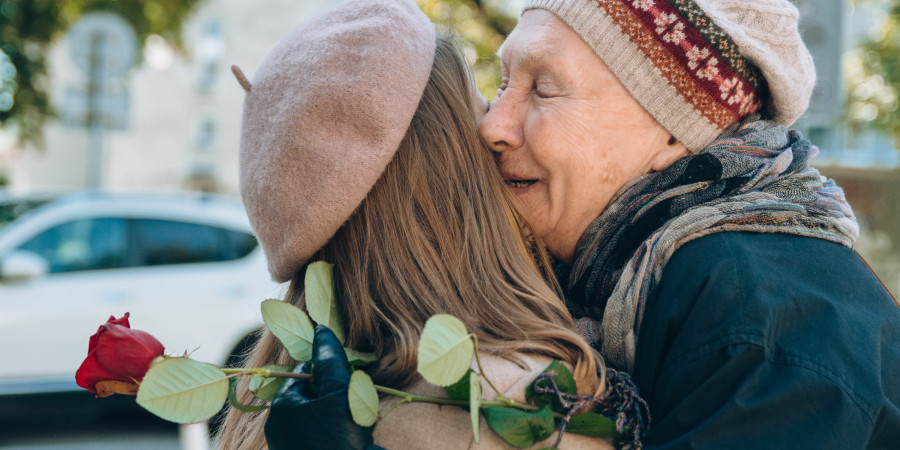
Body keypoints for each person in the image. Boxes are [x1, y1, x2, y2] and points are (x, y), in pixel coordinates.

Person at [270, 0, 900, 448]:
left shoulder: (766, 319)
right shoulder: (624, 278)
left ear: (674, 132)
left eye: (543, 89)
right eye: (503, 81)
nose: (492, 124)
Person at [216, 0, 644, 448]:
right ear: (451, 179)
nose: (499, 131)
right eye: (483, 109)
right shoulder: (527, 402)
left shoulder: (271, 406)